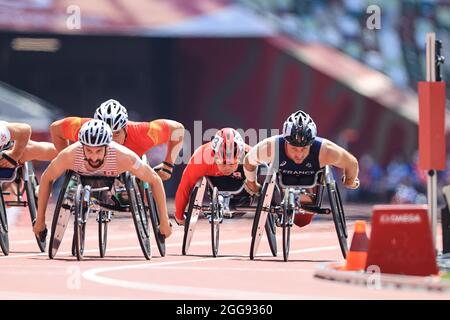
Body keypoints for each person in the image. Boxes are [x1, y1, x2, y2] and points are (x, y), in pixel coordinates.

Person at [33, 119, 172, 239]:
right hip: (82, 177)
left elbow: (155, 180)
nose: (94, 157)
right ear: (82, 147)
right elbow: (47, 178)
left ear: (107, 147)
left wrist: (164, 222)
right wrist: (40, 221)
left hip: (113, 180)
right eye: (88, 151)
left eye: (99, 151)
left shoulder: (124, 156)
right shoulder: (70, 155)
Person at [243, 110, 359, 228]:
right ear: (285, 142)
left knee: (302, 221)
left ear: (312, 144)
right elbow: (248, 161)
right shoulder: (271, 146)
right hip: (283, 182)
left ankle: (302, 205)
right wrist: (251, 183)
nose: (299, 155)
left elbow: (351, 163)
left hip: (310, 185)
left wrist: (350, 181)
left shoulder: (325, 150)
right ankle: (283, 204)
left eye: (304, 149)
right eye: (294, 148)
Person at [50, 99, 184, 180]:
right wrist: (68, 162)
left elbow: (178, 129)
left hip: (129, 172)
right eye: (104, 133)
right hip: (91, 170)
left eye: (116, 133)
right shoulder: (86, 129)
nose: (109, 140)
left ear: (125, 128)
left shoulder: (143, 133)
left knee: (149, 179)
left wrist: (168, 165)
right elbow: (56, 129)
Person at [174, 128, 252, 225]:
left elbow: (269, 174)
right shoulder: (201, 158)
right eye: (223, 163)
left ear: (240, 157)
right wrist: (179, 216)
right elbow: (185, 186)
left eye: (231, 164)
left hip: (243, 192)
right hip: (216, 186)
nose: (227, 168)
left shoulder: (249, 155)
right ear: (214, 156)